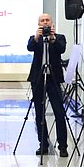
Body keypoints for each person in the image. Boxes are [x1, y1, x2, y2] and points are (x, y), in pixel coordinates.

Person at [27, 13, 68, 156]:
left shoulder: (59, 38)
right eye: (42, 21)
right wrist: (37, 37)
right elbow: (30, 47)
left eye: (47, 20)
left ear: (52, 23)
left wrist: (53, 39)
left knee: (59, 112)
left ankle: (63, 146)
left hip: (54, 79)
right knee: (39, 112)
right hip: (38, 78)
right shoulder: (34, 38)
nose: (45, 23)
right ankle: (43, 144)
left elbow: (61, 49)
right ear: (39, 24)